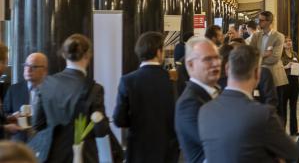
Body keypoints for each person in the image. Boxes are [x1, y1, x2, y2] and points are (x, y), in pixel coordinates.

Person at [198, 45, 298, 162]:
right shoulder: (262, 114)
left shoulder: (205, 110)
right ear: (257, 73)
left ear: (226, 68)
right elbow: (293, 153)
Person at [30, 34, 110, 163]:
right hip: (83, 156)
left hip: (51, 155)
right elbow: (100, 129)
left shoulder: (45, 84)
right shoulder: (94, 89)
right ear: (88, 55)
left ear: (63, 54)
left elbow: (37, 124)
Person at [113, 32, 178, 163]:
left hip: (138, 149)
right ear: (159, 52)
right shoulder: (172, 79)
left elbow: (119, 119)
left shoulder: (127, 81)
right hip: (166, 150)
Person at [175, 37, 222, 163]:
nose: (216, 63)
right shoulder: (189, 103)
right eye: (208, 59)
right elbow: (216, 143)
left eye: (217, 58)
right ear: (190, 64)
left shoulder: (218, 91)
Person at [249, 11, 287, 117]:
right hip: (258, 77)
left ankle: (279, 132)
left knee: (278, 109)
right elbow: (251, 54)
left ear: (269, 21)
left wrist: (258, 57)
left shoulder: (279, 36)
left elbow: (275, 58)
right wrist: (264, 54)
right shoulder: (256, 36)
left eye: (261, 20)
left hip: (275, 77)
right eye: (258, 20)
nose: (259, 22)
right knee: (260, 107)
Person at [3, 53, 48, 142]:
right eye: (26, 65)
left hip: (44, 143)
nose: (28, 69)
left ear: (44, 70)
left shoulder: (52, 91)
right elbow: (4, 114)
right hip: (19, 144)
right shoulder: (14, 90)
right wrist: (11, 117)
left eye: (33, 66)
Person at [281, 38, 299, 136]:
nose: (288, 43)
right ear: (282, 44)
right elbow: (277, 68)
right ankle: (282, 131)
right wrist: (286, 66)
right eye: (286, 41)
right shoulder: (280, 55)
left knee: (293, 107)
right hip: (284, 82)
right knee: (283, 108)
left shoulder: (295, 54)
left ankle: (294, 130)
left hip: (294, 82)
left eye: (289, 41)